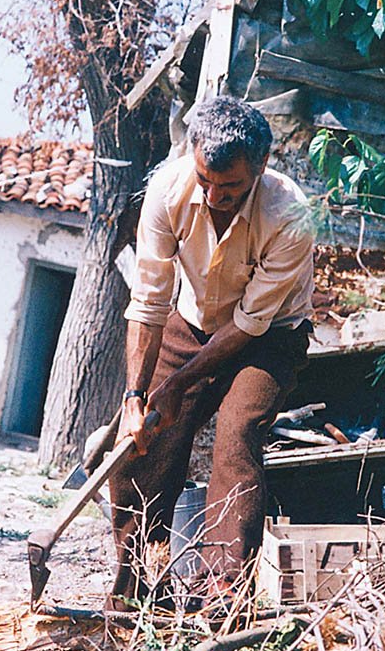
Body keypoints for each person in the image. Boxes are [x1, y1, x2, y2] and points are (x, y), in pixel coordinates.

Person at [107, 96, 314, 611]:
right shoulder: (168, 188)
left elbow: (249, 324)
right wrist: (138, 395)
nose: (215, 194)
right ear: (194, 157)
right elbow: (149, 299)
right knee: (142, 434)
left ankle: (220, 593)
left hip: (270, 335)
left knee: (236, 431)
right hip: (194, 318)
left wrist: (177, 386)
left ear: (261, 168)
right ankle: (137, 583)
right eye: (207, 181)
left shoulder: (289, 215)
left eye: (231, 187)